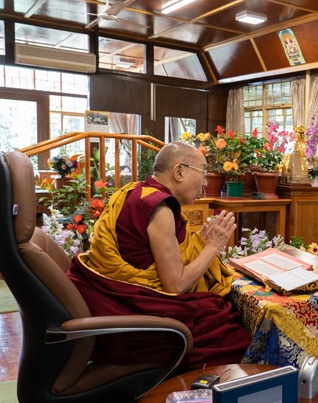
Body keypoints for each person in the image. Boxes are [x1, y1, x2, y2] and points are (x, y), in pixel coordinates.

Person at [67, 142, 251, 371]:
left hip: (118, 300)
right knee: (228, 326)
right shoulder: (160, 207)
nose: (206, 183)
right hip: (135, 315)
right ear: (179, 172)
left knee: (217, 306)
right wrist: (213, 246)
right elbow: (176, 285)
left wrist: (200, 242)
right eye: (203, 173)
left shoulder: (134, 191)